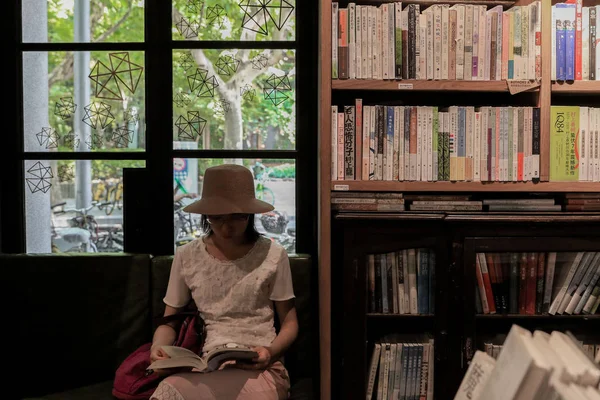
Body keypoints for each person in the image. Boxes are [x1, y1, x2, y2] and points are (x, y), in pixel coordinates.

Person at [150, 164, 298, 400]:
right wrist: (157, 348)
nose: (226, 227)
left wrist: (270, 353)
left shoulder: (273, 254)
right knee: (168, 391)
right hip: (209, 364)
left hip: (260, 365)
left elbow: (290, 323)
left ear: (249, 215)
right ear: (205, 215)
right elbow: (170, 322)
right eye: (217, 218)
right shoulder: (187, 256)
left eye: (236, 217)